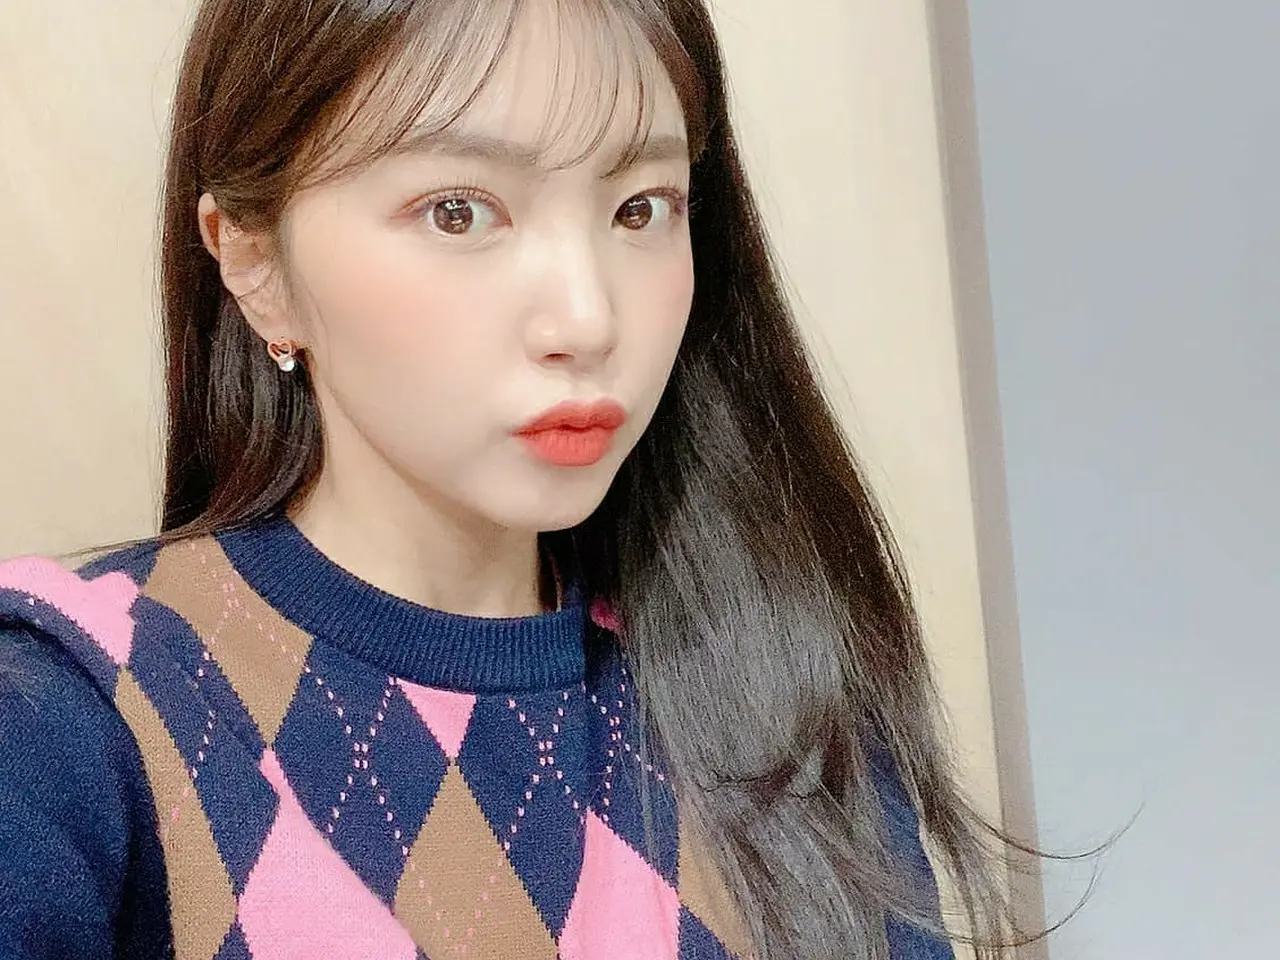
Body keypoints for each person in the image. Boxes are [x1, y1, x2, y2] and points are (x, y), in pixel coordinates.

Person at [0, 1, 1039, 957]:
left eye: (641, 209)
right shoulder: (74, 709)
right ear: (254, 263)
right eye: (459, 211)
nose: (587, 318)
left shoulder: (775, 696)